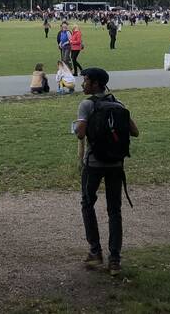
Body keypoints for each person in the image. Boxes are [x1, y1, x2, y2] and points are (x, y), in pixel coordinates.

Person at [74, 67, 139, 277]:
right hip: (116, 165)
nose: (83, 84)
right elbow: (135, 131)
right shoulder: (118, 103)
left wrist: (78, 126)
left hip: (94, 163)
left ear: (95, 84)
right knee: (114, 211)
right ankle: (115, 260)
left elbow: (80, 134)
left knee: (87, 203)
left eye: (86, 80)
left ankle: (95, 252)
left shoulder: (87, 104)